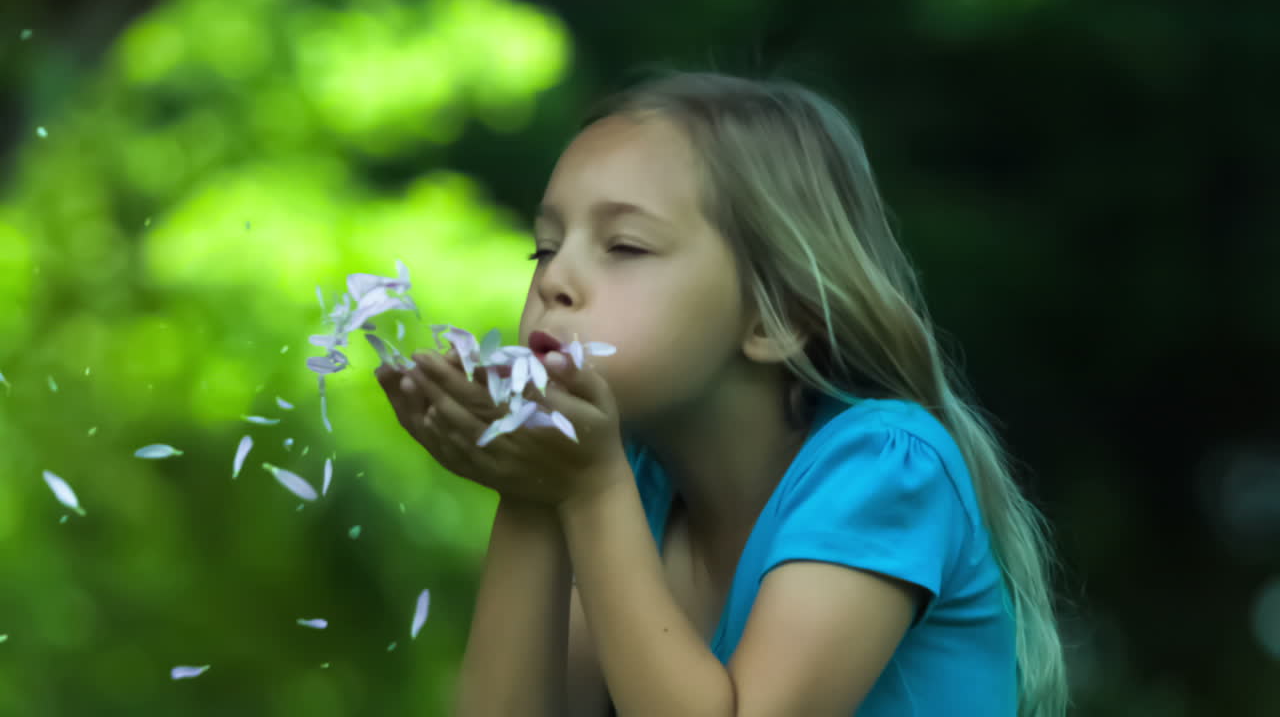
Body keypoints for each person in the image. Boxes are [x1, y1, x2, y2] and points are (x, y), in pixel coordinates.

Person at [376, 70, 1068, 716]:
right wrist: (528, 488)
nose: (555, 281)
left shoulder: (887, 469)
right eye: (545, 248)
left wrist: (585, 491)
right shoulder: (637, 490)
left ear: (777, 318)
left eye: (624, 246)